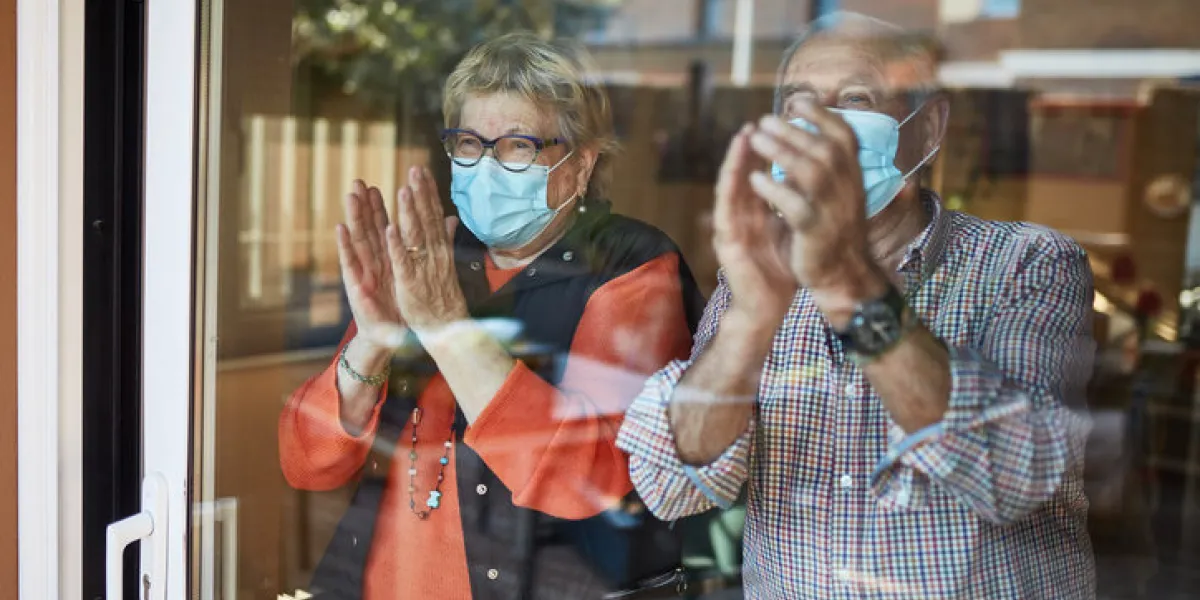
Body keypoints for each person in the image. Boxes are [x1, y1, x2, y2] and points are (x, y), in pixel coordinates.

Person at [617, 12, 1096, 600]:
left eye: (856, 97)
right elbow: (671, 487)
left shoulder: (1026, 263)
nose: (823, 126)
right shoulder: (758, 278)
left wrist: (845, 280)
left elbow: (1018, 477)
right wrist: (748, 322)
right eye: (800, 107)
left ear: (927, 128)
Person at [280, 32, 705, 600]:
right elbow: (308, 464)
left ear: (579, 166)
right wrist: (373, 344)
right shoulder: (432, 257)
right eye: (470, 143)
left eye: (518, 146)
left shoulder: (632, 265)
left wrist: (447, 332)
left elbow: (596, 479)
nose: (485, 165)